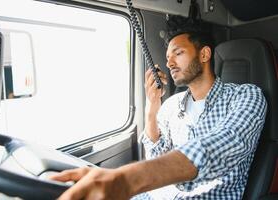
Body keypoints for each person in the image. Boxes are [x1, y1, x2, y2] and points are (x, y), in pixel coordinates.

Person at [50, 17, 267, 200]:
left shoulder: (246, 96)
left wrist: (126, 179)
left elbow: (219, 148)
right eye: (168, 58)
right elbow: (155, 157)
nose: (170, 63)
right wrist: (152, 107)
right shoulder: (172, 104)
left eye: (178, 53)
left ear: (204, 55)